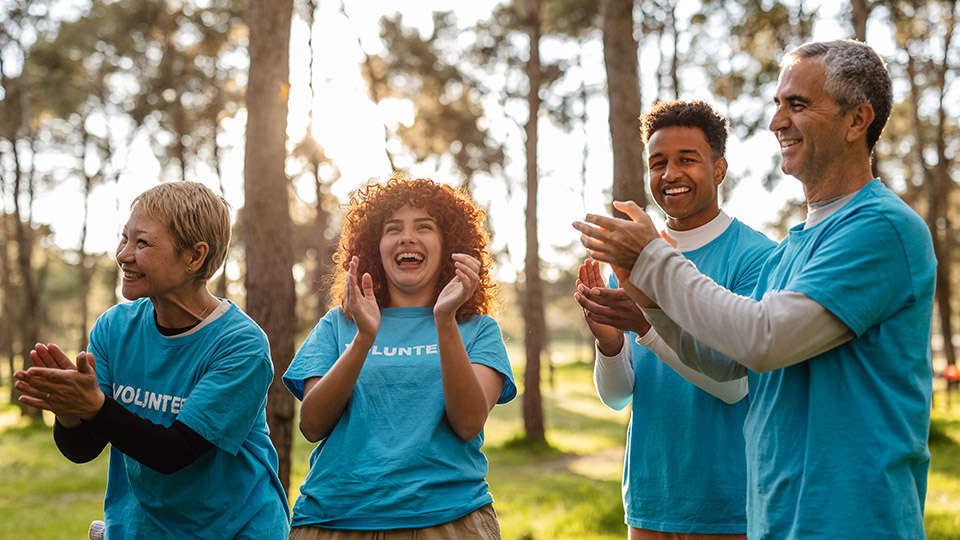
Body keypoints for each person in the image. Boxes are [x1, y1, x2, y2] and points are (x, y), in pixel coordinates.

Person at [573, 39, 935, 539]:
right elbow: (725, 361)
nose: (776, 122)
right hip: (777, 522)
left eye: (798, 104)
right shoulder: (793, 248)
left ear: (857, 121)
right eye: (778, 104)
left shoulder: (881, 228)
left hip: (853, 521)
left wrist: (653, 260)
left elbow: (762, 340)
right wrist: (648, 305)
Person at [13, 181, 290, 539]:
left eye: (141, 243)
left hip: (235, 530)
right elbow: (83, 450)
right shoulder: (114, 329)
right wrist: (70, 412)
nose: (124, 254)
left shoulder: (240, 345)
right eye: (124, 238)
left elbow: (175, 452)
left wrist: (95, 408)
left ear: (195, 256)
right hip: (140, 530)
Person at [575, 100, 775, 540]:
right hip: (649, 500)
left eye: (688, 159)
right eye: (658, 162)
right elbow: (617, 397)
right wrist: (609, 344)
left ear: (719, 169)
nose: (669, 175)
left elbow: (735, 386)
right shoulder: (628, 259)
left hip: (728, 502)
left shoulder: (757, 258)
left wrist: (647, 326)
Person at [283, 173, 516, 540]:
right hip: (336, 520)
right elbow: (311, 425)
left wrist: (444, 319)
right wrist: (364, 338)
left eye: (424, 227)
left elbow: (468, 422)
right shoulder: (338, 326)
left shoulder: (477, 329)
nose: (407, 237)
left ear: (449, 245)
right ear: (375, 247)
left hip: (448, 520)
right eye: (393, 229)